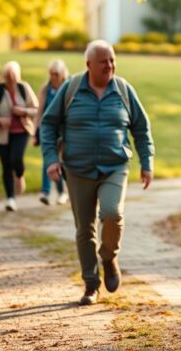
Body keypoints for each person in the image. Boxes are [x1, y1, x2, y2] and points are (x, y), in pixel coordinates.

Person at [40, 40, 154, 306]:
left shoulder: (123, 90)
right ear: (89, 64)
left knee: (113, 213)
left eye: (112, 60)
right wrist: (50, 159)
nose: (110, 66)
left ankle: (109, 257)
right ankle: (91, 284)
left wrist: (147, 162)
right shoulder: (71, 89)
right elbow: (48, 124)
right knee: (84, 229)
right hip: (77, 169)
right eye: (104, 61)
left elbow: (141, 128)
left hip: (114, 167)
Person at [0, 61, 40, 212]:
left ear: (18, 76)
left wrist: (24, 111)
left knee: (16, 159)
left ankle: (20, 175)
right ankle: (10, 198)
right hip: (2, 134)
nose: (11, 80)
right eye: (8, 77)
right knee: (6, 165)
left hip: (21, 131)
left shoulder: (23, 88)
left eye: (13, 77)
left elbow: (36, 109)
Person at [34, 59, 69, 205]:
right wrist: (35, 131)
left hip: (63, 131)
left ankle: (62, 193)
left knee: (59, 162)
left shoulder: (67, 88)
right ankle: (46, 192)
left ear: (62, 74)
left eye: (56, 74)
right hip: (47, 130)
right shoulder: (45, 89)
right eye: (51, 73)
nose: (53, 76)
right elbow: (39, 110)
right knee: (48, 160)